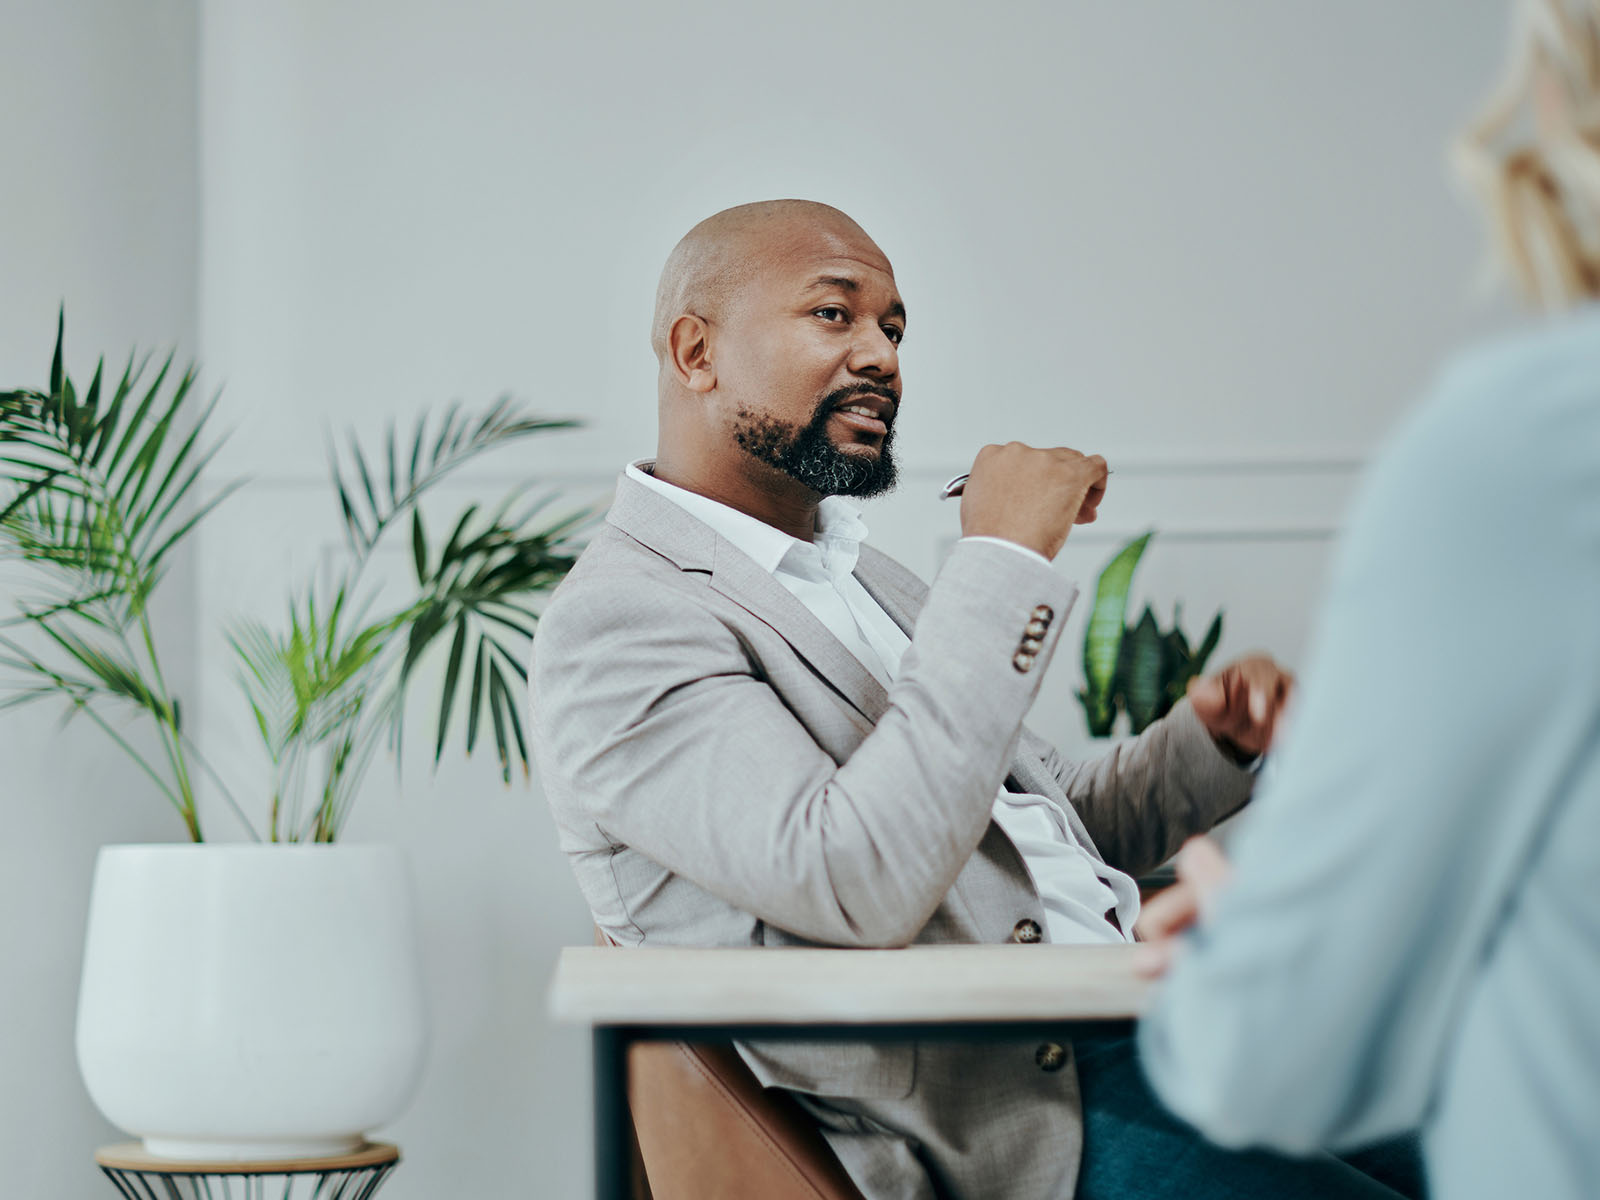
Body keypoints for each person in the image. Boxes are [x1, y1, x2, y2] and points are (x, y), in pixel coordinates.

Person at [531, 198, 1406, 1199]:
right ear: (697, 352)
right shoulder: (617, 623)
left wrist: (1213, 743)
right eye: (834, 314)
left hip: (1159, 1027)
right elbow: (849, 876)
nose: (882, 357)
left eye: (893, 327)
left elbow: (1042, 826)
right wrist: (999, 561)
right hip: (1027, 1114)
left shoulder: (853, 577)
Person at [1136, 3, 1600, 1198]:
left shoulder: (1524, 445)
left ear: (1555, 103)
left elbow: (1272, 1058)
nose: (876, 351)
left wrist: (1264, 928)